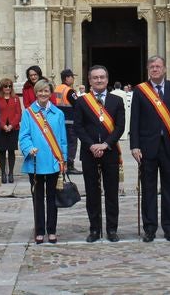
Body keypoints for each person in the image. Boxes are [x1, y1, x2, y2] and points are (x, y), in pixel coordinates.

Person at [130, 55, 170, 242]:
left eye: (158, 66)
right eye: (152, 67)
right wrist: (134, 146)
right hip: (147, 148)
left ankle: (169, 227)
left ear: (164, 69)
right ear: (148, 69)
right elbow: (135, 120)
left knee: (169, 189)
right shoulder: (140, 91)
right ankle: (149, 228)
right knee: (148, 189)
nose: (155, 69)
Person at [75, 64, 125, 242]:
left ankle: (112, 229)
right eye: (95, 78)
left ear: (107, 79)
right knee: (92, 193)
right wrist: (91, 146)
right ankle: (94, 229)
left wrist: (105, 144)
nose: (99, 80)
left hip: (110, 152)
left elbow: (120, 127)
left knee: (111, 193)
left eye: (102, 77)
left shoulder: (116, 101)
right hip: (89, 153)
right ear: (89, 80)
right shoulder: (82, 101)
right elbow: (78, 127)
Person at [20, 78, 67, 244]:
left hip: (54, 161)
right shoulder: (28, 113)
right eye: (40, 91)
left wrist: (64, 159)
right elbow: (23, 136)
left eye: (46, 91)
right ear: (36, 92)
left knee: (53, 198)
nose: (43, 94)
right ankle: (39, 230)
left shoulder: (58, 113)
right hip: (36, 162)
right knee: (38, 198)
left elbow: (62, 140)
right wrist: (29, 148)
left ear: (51, 93)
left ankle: (52, 230)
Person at [0, 77, 22, 185]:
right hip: (1, 129)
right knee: (1, 151)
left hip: (13, 128)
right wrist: (3, 126)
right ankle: (3, 173)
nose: (8, 88)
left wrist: (11, 125)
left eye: (10, 86)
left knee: (11, 151)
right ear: (1, 87)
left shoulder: (15, 98)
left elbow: (18, 113)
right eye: (6, 86)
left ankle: (11, 173)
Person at [52, 68, 80, 174]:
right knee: (72, 143)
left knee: (61, 143)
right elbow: (78, 105)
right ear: (67, 78)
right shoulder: (69, 91)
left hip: (59, 122)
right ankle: (70, 166)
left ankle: (61, 164)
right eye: (72, 77)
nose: (73, 79)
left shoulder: (56, 88)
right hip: (70, 122)